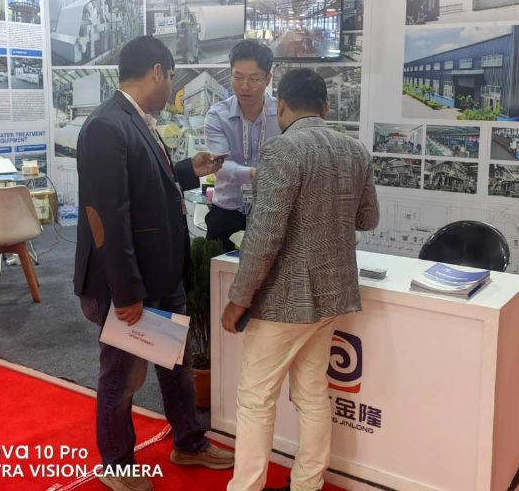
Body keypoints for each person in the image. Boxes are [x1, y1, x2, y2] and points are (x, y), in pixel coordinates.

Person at [74, 35, 235, 491]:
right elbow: (107, 218)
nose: (172, 89)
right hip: (129, 284)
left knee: (176, 366)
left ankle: (188, 441)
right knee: (123, 377)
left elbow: (144, 186)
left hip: (160, 275)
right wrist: (126, 293)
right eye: (172, 78)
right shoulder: (106, 126)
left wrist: (188, 170)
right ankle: (117, 465)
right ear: (158, 72)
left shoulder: (134, 120)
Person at [220, 68, 380, 491]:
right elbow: (369, 218)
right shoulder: (356, 151)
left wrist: (239, 297)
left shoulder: (281, 150)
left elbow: (264, 234)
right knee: (312, 394)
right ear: (325, 108)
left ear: (282, 106)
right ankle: (307, 484)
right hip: (332, 296)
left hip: (283, 300)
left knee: (255, 399)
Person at [204, 40, 281, 250]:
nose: (245, 86)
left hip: (271, 214)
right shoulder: (217, 115)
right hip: (227, 212)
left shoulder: (281, 114)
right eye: (238, 78)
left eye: (254, 79)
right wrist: (252, 174)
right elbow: (219, 164)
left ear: (268, 78)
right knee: (220, 268)